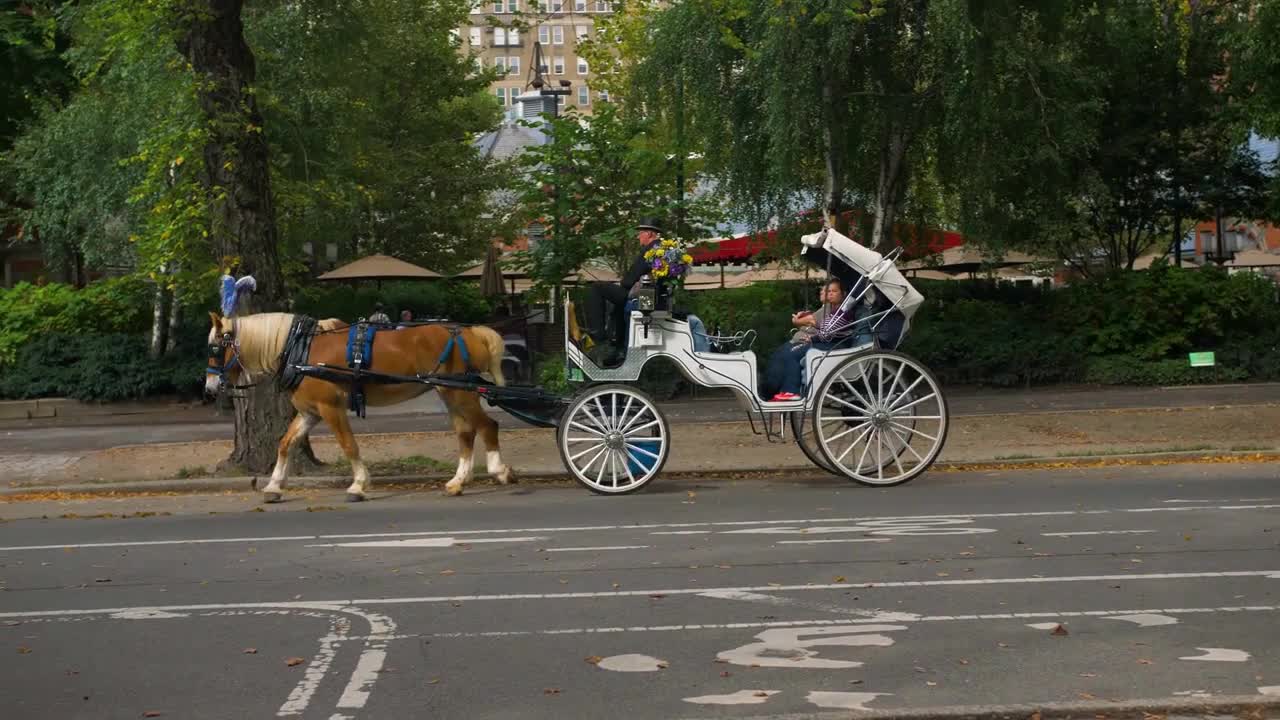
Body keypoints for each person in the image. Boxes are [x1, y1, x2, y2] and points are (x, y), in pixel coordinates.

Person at [584, 216, 664, 362]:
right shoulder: (662, 249)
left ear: (650, 234)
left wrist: (621, 283)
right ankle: (616, 344)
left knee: (596, 288)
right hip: (648, 294)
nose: (638, 236)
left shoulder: (651, 250)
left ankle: (598, 335)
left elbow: (628, 281)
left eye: (641, 232)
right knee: (614, 300)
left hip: (640, 295)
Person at [762, 278, 845, 401]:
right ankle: (775, 389)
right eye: (829, 291)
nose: (830, 294)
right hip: (823, 341)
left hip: (833, 344)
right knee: (785, 353)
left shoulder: (841, 312)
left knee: (793, 353)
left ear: (843, 294)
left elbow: (828, 331)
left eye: (834, 291)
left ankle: (791, 391)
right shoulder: (832, 310)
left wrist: (812, 337)